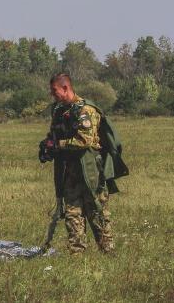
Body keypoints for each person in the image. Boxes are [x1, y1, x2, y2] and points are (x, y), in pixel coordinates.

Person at [40, 73, 118, 254]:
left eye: (55, 91)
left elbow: (85, 141)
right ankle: (77, 254)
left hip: (90, 172)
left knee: (96, 212)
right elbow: (54, 134)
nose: (53, 95)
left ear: (65, 88)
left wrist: (58, 145)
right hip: (71, 172)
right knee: (72, 213)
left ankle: (108, 251)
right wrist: (47, 145)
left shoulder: (86, 111)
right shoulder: (60, 112)